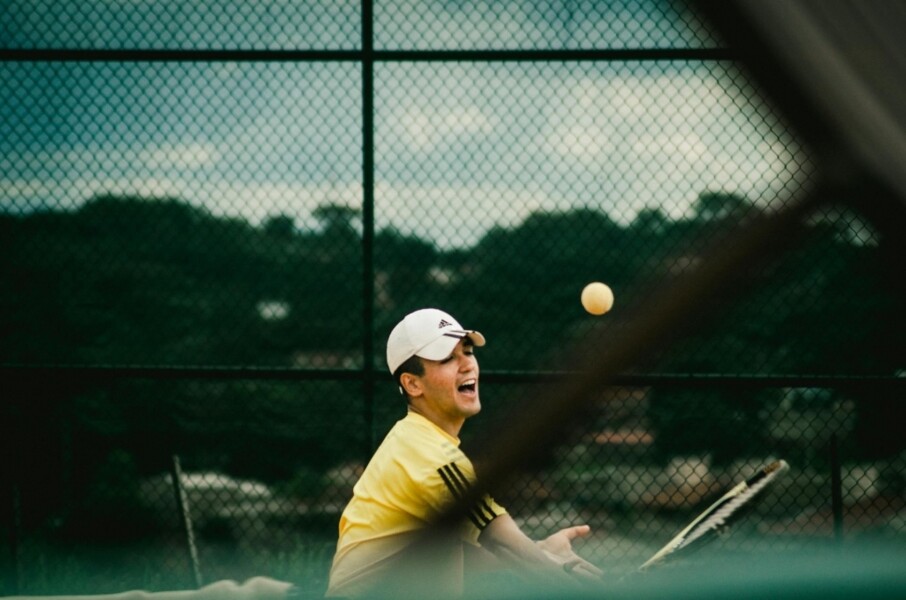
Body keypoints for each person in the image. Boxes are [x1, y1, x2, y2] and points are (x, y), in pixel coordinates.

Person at [326, 308, 602, 598]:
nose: (467, 365)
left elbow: (446, 556)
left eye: (467, 352)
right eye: (447, 358)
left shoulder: (411, 440)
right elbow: (504, 545)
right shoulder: (432, 456)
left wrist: (542, 549)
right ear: (412, 383)